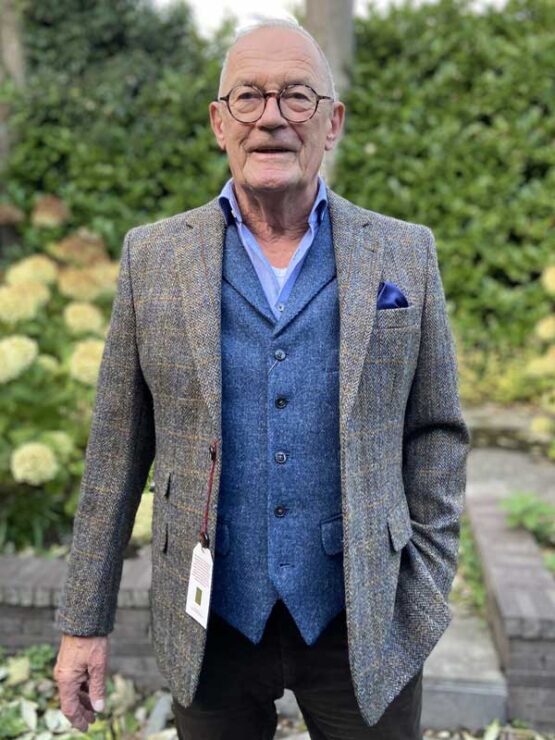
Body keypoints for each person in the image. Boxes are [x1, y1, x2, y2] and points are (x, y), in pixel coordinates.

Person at [53, 17, 470, 740]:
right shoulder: (153, 258)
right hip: (209, 622)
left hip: (363, 616)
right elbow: (115, 452)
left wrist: (424, 584)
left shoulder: (404, 254)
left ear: (332, 122)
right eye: (248, 96)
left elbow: (436, 430)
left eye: (297, 96)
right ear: (220, 122)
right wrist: (83, 622)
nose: (271, 117)